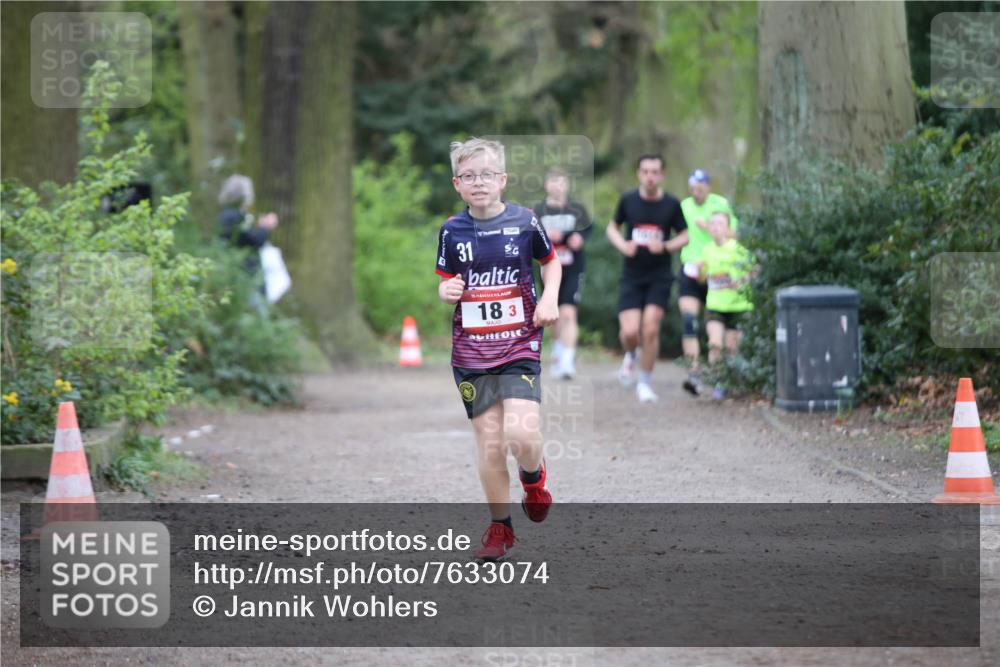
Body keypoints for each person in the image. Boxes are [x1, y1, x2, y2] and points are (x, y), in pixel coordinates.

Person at [435, 137, 561, 561]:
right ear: (457, 184)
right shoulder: (452, 230)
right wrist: (446, 289)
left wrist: (549, 298)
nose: (478, 183)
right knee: (489, 443)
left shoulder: (526, 221)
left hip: (519, 344)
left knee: (521, 432)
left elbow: (552, 262)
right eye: (469, 176)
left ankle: (533, 476)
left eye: (487, 174)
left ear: (503, 179)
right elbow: (446, 279)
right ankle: (500, 528)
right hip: (471, 353)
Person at [606, 155, 689, 403]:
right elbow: (612, 228)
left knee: (650, 328)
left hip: (659, 275)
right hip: (632, 275)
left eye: (654, 172)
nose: (650, 176)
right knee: (630, 331)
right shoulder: (628, 200)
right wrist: (624, 245)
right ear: (638, 174)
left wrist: (664, 246)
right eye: (645, 171)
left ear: (662, 175)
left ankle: (644, 383)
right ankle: (631, 354)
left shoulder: (671, 204)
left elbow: (685, 235)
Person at [678, 169, 738, 396]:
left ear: (708, 187)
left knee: (718, 329)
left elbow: (735, 234)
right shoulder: (683, 206)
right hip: (691, 269)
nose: (696, 192)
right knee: (689, 321)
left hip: (716, 272)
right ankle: (693, 375)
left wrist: (712, 228)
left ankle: (720, 378)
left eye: (700, 188)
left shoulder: (720, 204)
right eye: (692, 188)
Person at [533, 167, 592, 380]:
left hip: (573, 268)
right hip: (548, 269)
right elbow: (530, 237)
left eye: (562, 182)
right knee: (553, 316)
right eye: (554, 182)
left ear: (567, 185)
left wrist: (579, 238)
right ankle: (558, 351)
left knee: (568, 313)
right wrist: (545, 237)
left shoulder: (578, 209)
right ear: (547, 185)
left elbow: (587, 230)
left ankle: (567, 361)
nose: (558, 186)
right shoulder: (538, 211)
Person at [696, 211, 754, 400]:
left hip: (738, 306)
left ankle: (732, 383)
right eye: (712, 223)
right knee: (715, 344)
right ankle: (718, 383)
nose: (715, 227)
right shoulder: (706, 250)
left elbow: (754, 273)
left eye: (719, 224)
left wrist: (742, 280)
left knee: (732, 349)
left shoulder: (739, 250)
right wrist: (698, 272)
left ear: (728, 229)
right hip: (715, 305)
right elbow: (703, 278)